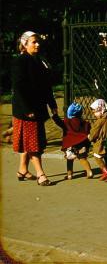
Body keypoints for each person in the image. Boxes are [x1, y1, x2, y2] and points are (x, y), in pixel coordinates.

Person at [11, 31, 57, 186]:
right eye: (33, 42)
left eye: (38, 42)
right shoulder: (21, 61)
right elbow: (18, 87)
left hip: (37, 108)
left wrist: (52, 104)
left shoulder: (38, 60)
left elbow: (46, 86)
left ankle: (22, 170)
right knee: (33, 143)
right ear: (25, 44)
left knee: (29, 141)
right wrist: (26, 109)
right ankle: (40, 174)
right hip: (26, 110)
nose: (37, 44)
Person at [59, 102, 94, 180]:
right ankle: (89, 171)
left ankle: (69, 175)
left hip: (71, 144)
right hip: (83, 143)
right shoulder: (85, 123)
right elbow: (88, 131)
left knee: (70, 159)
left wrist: (55, 116)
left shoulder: (67, 121)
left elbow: (59, 123)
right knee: (82, 158)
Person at [89, 99, 107, 181]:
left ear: (101, 109)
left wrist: (90, 137)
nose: (94, 114)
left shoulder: (100, 121)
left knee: (97, 156)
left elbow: (95, 131)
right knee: (105, 156)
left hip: (100, 141)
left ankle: (106, 171)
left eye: (96, 112)